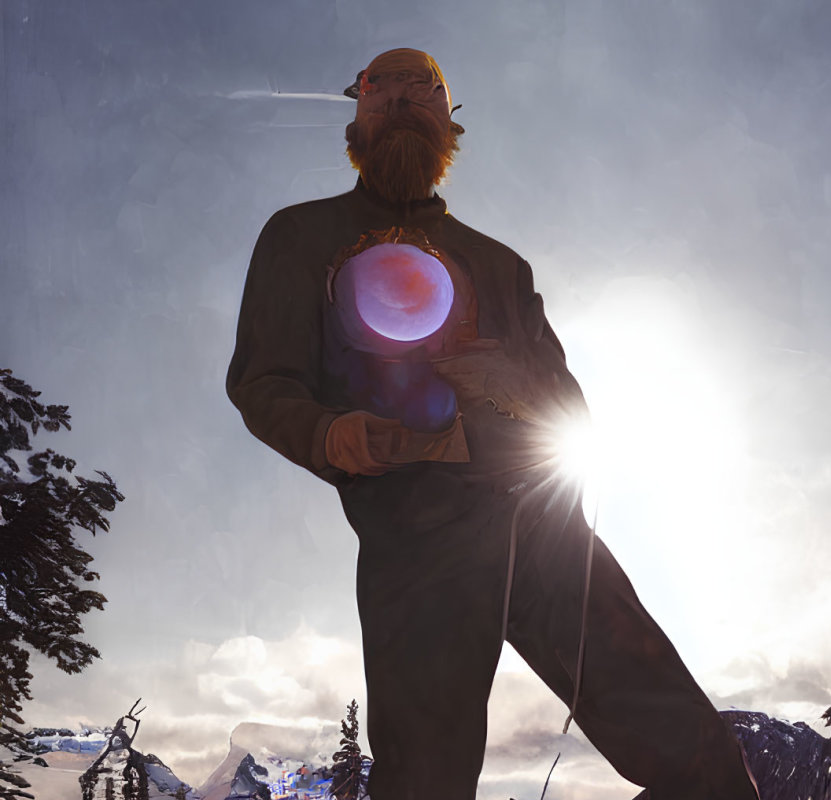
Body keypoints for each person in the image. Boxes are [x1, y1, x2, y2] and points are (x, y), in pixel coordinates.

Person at [227, 47, 759, 800]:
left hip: (547, 533)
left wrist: (521, 396)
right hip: (417, 539)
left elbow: (571, 413)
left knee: (703, 760)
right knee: (427, 785)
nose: (403, 98)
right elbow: (265, 382)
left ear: (451, 118)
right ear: (355, 112)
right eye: (382, 86)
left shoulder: (501, 266)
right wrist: (329, 435)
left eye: (425, 86)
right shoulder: (300, 237)